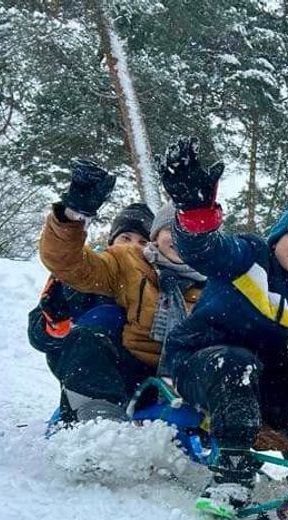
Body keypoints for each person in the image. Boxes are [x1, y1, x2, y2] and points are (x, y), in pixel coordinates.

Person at [158, 137, 288, 519]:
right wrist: (196, 214)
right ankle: (231, 471)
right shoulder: (248, 257)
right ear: (278, 237)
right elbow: (204, 250)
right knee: (238, 364)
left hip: (254, 380)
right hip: (198, 363)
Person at [38, 161, 203, 423]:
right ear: (157, 236)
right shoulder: (127, 262)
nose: (179, 238)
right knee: (98, 324)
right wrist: (73, 216)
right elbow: (70, 264)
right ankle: (99, 425)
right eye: (172, 229)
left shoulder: (214, 282)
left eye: (189, 231)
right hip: (123, 371)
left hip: (185, 381)